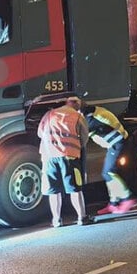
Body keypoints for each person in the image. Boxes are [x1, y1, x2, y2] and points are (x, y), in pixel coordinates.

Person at [37, 95, 90, 227]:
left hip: (49, 157)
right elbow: (84, 138)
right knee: (75, 189)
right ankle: (82, 218)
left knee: (54, 191)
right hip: (69, 156)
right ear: (77, 105)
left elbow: (40, 132)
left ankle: (56, 220)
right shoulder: (78, 117)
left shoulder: (49, 114)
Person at [86, 105, 137, 215]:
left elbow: (83, 133)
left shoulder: (90, 119)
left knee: (108, 173)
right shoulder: (95, 113)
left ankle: (127, 198)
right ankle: (113, 203)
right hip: (115, 144)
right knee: (107, 173)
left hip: (117, 143)